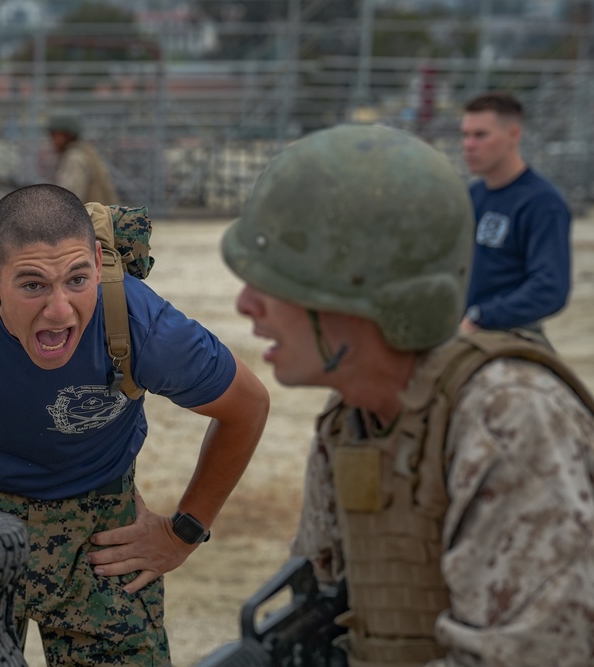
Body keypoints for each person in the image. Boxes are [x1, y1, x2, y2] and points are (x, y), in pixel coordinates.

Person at [222, 124, 594, 666]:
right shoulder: (355, 416)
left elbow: (535, 654)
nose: (246, 304)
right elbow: (333, 609)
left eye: (276, 281)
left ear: (366, 292)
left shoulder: (509, 417)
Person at [0, 183, 270, 666]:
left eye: (77, 279)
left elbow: (247, 406)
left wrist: (184, 532)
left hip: (100, 529)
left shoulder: (139, 324)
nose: (58, 310)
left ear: (97, 262)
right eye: (32, 285)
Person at [459, 91, 572, 338]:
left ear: (513, 135)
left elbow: (549, 288)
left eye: (480, 135)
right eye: (465, 135)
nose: (468, 145)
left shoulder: (542, 202)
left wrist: (482, 317)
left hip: (511, 336)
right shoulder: (470, 196)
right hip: (460, 332)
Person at [47, 109, 120, 204]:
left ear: (67, 135)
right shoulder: (85, 152)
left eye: (56, 135)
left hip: (92, 218)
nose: (53, 141)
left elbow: (68, 202)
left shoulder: (74, 158)